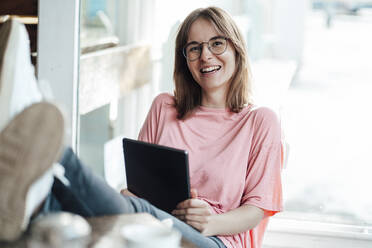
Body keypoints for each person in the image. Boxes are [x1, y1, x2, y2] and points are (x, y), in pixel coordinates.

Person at [0, 6, 283, 248]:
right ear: (185, 59)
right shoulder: (164, 107)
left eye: (216, 43)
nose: (205, 56)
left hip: (216, 239)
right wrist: (129, 194)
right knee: (77, 218)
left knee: (136, 212)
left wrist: (211, 222)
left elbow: (256, 210)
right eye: (194, 48)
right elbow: (139, 185)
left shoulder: (260, 121)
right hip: (155, 219)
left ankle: (37, 130)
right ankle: (25, 202)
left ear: (236, 48)